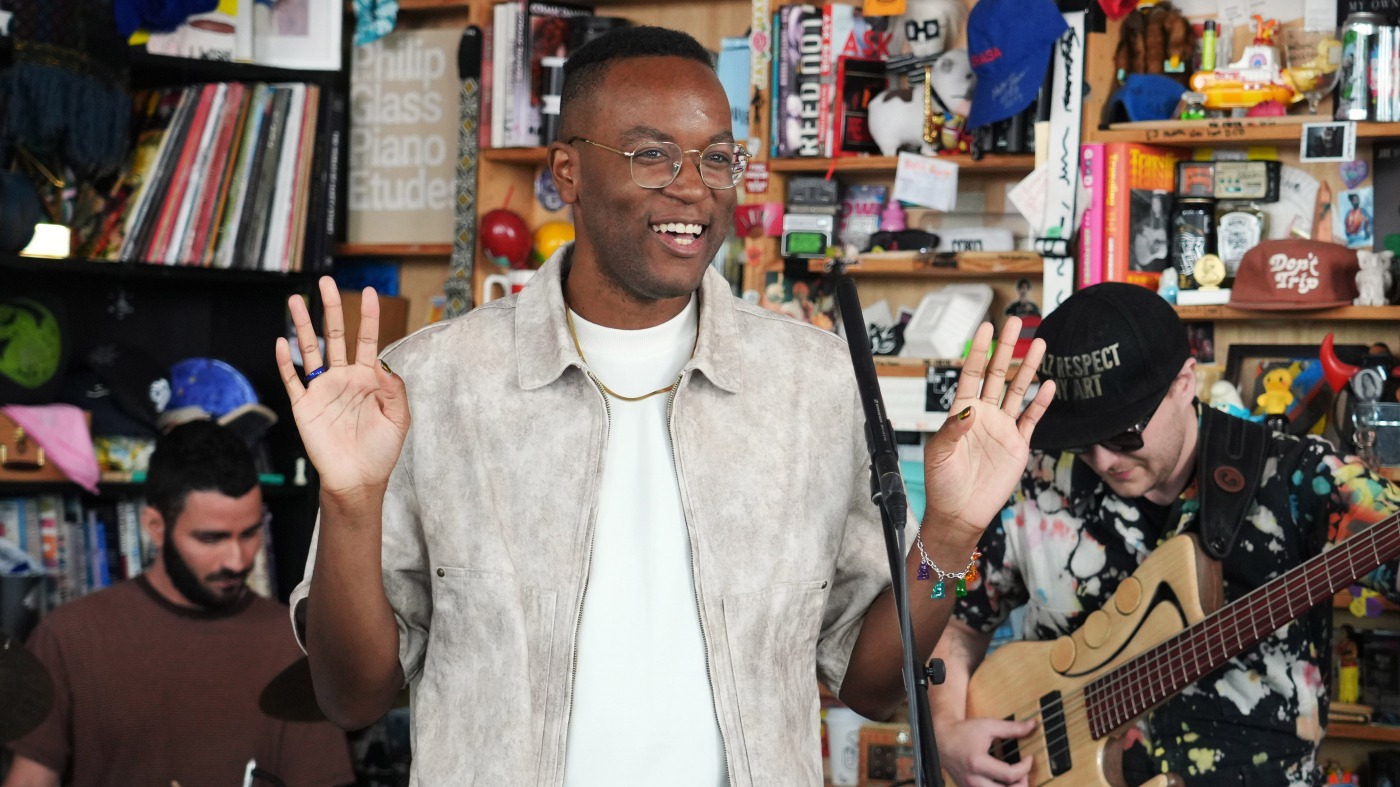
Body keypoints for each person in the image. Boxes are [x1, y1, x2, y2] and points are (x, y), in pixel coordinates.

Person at [274, 24, 1054, 786]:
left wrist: (951, 533)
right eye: (652, 154)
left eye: (717, 156)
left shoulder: (813, 386)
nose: (693, 186)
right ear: (566, 172)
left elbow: (872, 686)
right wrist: (348, 502)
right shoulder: (431, 384)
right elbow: (352, 695)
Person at [929, 282, 1400, 786]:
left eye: (1124, 433)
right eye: (1082, 443)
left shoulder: (1300, 476)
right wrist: (944, 728)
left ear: (1184, 383)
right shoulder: (1035, 483)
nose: (1105, 460)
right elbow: (952, 615)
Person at [2, 421, 355, 787]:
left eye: (250, 533)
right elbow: (30, 779)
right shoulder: (69, 636)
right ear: (155, 526)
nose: (237, 559)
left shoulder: (291, 640)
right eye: (211, 538)